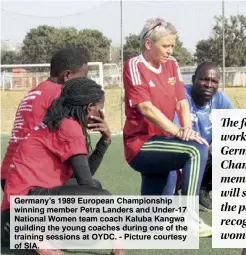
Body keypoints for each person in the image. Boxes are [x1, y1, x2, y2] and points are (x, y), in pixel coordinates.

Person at [1, 77, 124, 255]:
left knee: (95, 190)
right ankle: (37, 236)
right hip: (24, 205)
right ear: (90, 108)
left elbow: (84, 177)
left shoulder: (59, 121)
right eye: (100, 109)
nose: (101, 113)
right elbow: (86, 183)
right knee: (102, 197)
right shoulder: (70, 127)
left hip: (19, 205)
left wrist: (105, 141)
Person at [123, 17, 212, 237]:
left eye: (172, 45)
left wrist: (187, 130)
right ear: (148, 44)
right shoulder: (134, 66)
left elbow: (182, 102)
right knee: (196, 150)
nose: (170, 50)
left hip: (164, 144)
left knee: (152, 220)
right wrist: (179, 133)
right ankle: (190, 219)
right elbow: (146, 108)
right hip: (141, 145)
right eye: (166, 46)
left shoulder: (172, 65)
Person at [1, 47, 91, 190]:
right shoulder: (60, 95)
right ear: (67, 75)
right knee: (94, 192)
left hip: (9, 174)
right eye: (83, 79)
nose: (85, 84)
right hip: (31, 179)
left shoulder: (33, 93)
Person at [163, 61, 233, 212]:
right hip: (181, 153)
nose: (209, 84)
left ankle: (203, 191)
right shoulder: (181, 97)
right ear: (194, 79)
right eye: (204, 79)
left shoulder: (220, 99)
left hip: (206, 154)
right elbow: (173, 131)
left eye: (214, 81)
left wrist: (220, 141)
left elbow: (233, 129)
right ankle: (174, 190)